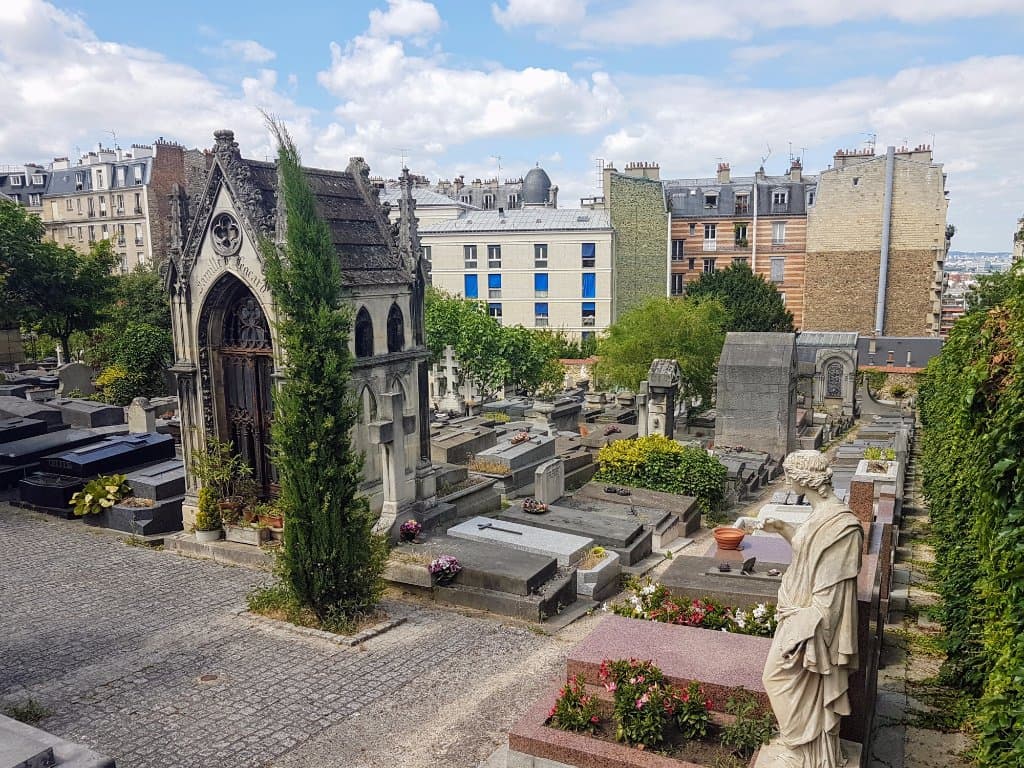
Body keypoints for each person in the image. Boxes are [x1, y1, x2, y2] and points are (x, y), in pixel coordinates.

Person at [752, 450, 862, 767]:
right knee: (781, 680)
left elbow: (831, 594)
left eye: (789, 475)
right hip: (797, 613)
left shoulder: (843, 528)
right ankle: (799, 746)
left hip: (812, 624)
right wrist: (784, 528)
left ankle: (805, 751)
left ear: (804, 480)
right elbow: (808, 551)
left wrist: (804, 624)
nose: (786, 481)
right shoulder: (820, 513)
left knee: (775, 677)